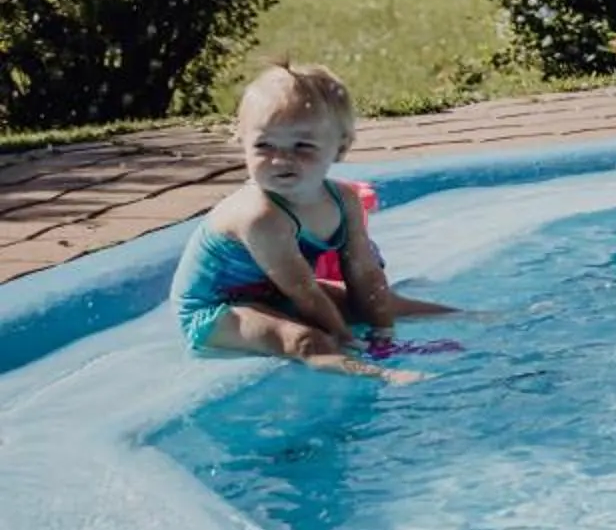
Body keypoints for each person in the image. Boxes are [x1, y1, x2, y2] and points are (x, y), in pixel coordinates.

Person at [168, 63, 455, 382]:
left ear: (340, 148)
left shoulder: (343, 200)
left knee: (381, 302)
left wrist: (383, 329)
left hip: (274, 293)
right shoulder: (259, 215)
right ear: (242, 143)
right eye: (264, 145)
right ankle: (382, 374)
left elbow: (364, 272)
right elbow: (304, 292)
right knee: (306, 340)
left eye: (302, 146)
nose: (281, 159)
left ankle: (479, 319)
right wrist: (346, 338)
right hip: (215, 310)